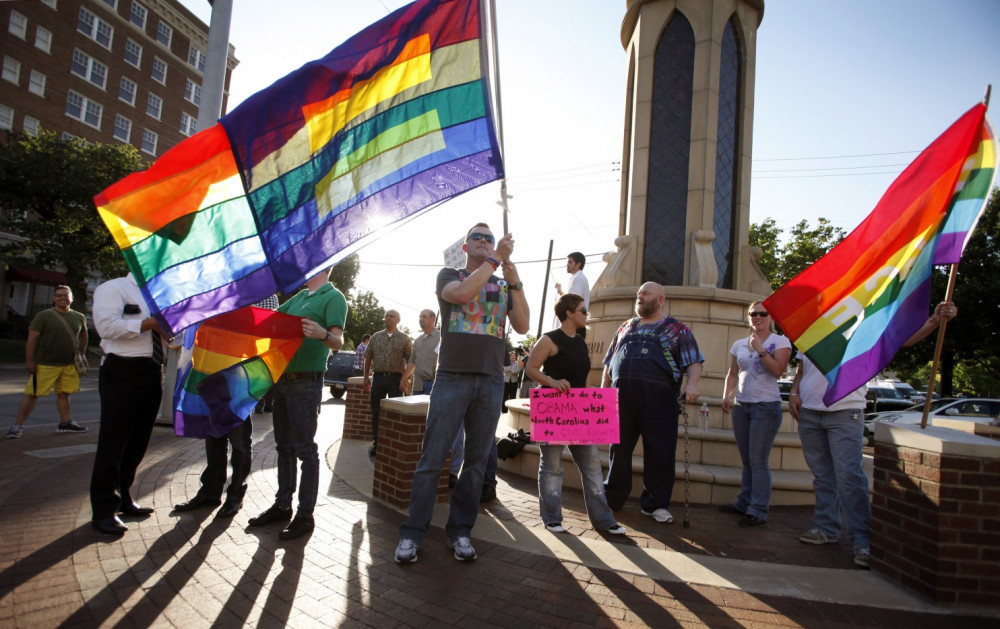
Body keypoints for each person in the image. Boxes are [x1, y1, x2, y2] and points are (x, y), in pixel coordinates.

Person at [394, 222, 529, 563]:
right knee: (433, 458)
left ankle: (460, 531)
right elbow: (461, 295)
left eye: (489, 237)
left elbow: (524, 325)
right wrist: (495, 260)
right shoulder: (449, 274)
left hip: (490, 380)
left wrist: (514, 280)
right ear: (466, 246)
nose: (485, 241)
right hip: (452, 377)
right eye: (477, 237)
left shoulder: (501, 281)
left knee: (476, 461)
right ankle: (413, 533)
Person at [789, 300, 957, 570]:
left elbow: (902, 339)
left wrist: (935, 321)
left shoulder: (861, 327)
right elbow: (801, 371)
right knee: (823, 476)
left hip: (845, 412)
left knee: (849, 476)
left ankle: (862, 541)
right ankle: (825, 528)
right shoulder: (812, 329)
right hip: (809, 413)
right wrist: (795, 394)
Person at [248, 268, 346, 540]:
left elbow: (337, 342)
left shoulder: (333, 297)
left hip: (306, 382)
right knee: (284, 446)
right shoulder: (300, 296)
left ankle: (305, 515)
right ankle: (282, 506)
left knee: (305, 449)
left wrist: (322, 333)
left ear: (324, 266)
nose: (301, 268)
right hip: (284, 379)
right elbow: (271, 320)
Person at [602, 282, 703, 524]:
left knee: (660, 452)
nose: (640, 297)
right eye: (638, 294)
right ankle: (612, 498)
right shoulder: (625, 326)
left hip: (659, 401)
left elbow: (694, 362)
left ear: (660, 299)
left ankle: (655, 504)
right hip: (621, 398)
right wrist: (604, 392)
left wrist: (692, 384)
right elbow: (608, 363)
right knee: (619, 449)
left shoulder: (678, 329)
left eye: (645, 293)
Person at [526, 293, 625, 536]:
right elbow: (530, 368)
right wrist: (551, 381)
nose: (586, 314)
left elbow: (582, 377)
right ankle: (551, 517)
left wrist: (593, 396)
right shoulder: (548, 340)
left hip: (580, 411)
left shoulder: (581, 341)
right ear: (569, 313)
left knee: (591, 465)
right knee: (551, 465)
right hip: (553, 410)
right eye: (582, 310)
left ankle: (603, 519)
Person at [175, 295, 278, 519]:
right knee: (214, 437)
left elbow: (266, 333)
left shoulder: (266, 296)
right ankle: (210, 491)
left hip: (239, 378)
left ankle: (235, 495)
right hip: (212, 372)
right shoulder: (222, 292)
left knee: (239, 441)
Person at [89, 274, 168, 535]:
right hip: (121, 370)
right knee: (114, 442)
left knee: (138, 440)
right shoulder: (112, 288)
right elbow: (106, 327)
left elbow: (169, 334)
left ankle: (124, 496)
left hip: (152, 370)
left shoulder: (162, 291)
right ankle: (103, 509)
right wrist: (148, 323)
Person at [718, 301, 792, 528]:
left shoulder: (780, 341)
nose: (757, 317)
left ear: (771, 317)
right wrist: (726, 395)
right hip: (743, 406)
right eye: (753, 314)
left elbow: (778, 371)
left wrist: (760, 349)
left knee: (758, 461)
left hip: (765, 407)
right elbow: (732, 372)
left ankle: (758, 509)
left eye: (762, 313)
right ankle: (744, 502)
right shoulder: (739, 343)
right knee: (747, 460)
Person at [6, 285, 88, 439]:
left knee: (64, 393)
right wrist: (30, 361)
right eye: (59, 295)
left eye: (66, 295)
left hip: (68, 364)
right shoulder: (44, 316)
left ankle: (65, 423)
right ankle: (17, 425)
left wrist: (82, 355)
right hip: (45, 364)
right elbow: (32, 339)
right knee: (32, 394)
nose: (63, 298)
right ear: (53, 298)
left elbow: (84, 335)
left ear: (72, 298)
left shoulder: (79, 316)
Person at [363, 310, 412, 455]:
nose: (388, 318)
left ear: (398, 320)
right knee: (376, 412)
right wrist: (365, 377)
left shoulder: (404, 339)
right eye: (386, 316)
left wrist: (407, 379)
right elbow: (368, 358)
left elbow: (411, 361)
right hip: (378, 378)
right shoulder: (376, 337)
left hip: (396, 380)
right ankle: (377, 444)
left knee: (396, 412)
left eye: (391, 316)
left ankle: (393, 444)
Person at [402, 309, 439, 396]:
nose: (421, 319)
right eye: (420, 316)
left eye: (424, 317)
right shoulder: (418, 340)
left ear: (433, 319)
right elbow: (412, 362)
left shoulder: (441, 338)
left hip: (433, 384)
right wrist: (403, 379)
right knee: (416, 409)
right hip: (418, 384)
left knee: (430, 409)